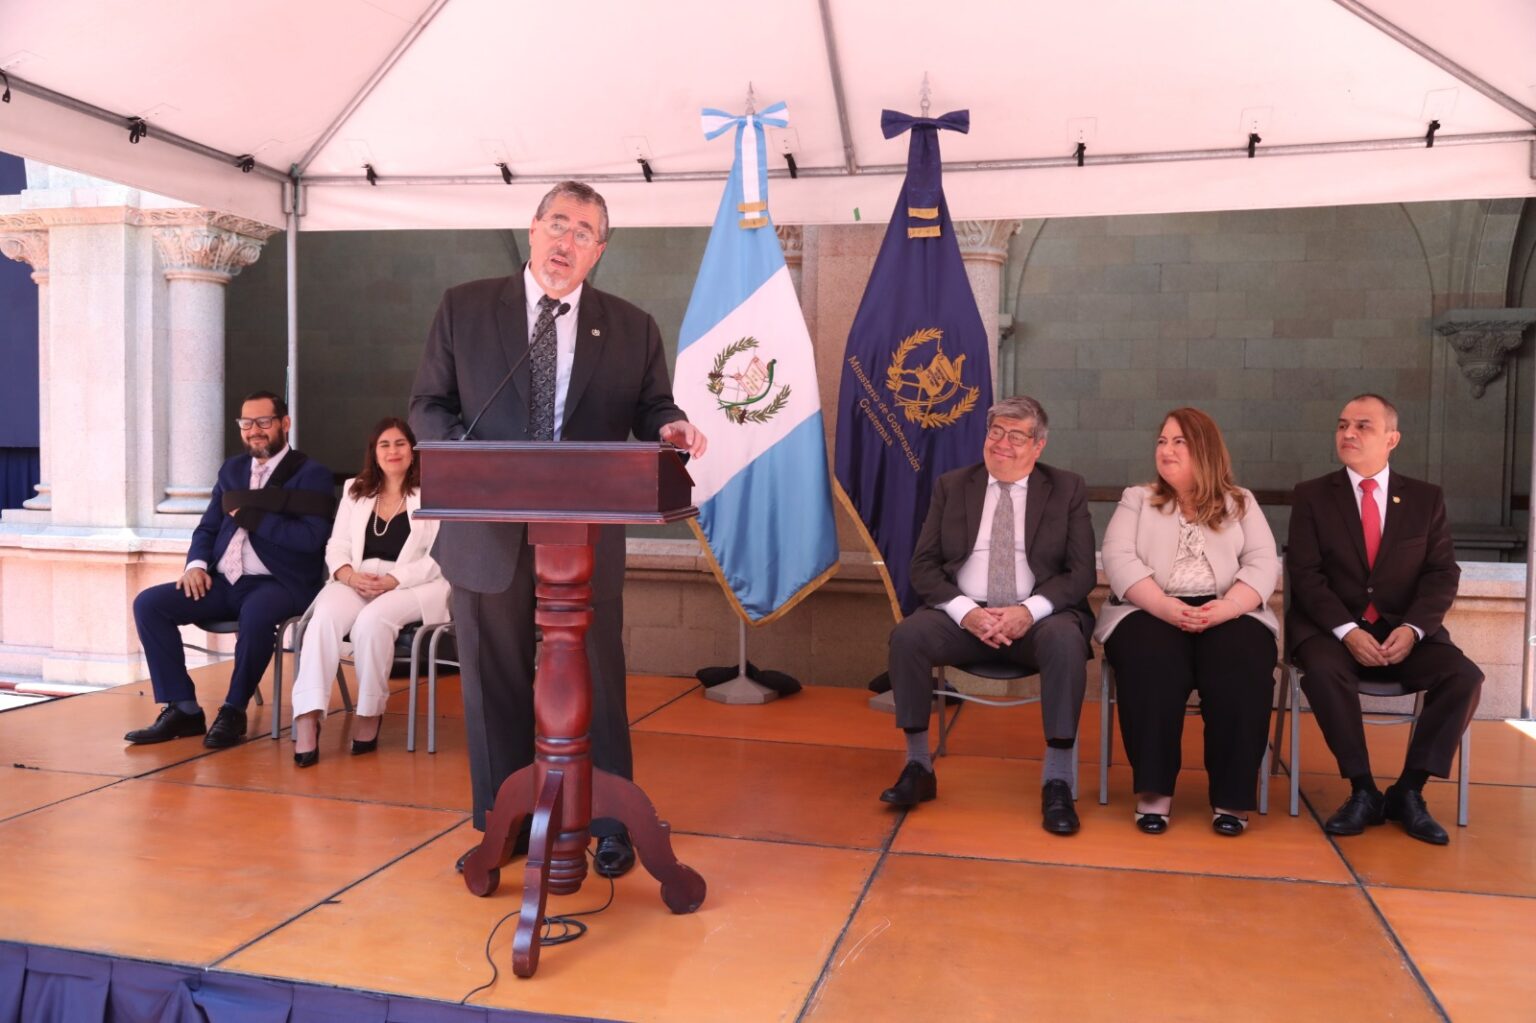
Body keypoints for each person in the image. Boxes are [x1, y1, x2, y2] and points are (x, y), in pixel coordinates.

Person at [410, 180, 707, 878]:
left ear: (599, 251)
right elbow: (428, 405)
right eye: (558, 224)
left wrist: (670, 425)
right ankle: (504, 820)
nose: (566, 242)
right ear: (533, 227)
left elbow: (652, 405)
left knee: (595, 676)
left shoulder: (631, 326)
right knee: (494, 679)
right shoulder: (464, 308)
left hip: (584, 537)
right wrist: (475, 466)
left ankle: (609, 822)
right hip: (487, 530)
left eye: (584, 233)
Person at [881, 396, 1096, 835]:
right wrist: (966, 613)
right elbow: (923, 566)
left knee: (1065, 640)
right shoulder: (953, 485)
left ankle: (1057, 780)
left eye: (1016, 436)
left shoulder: (1067, 488)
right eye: (995, 432)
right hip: (964, 617)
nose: (1002, 443)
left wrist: (1027, 611)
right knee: (908, 637)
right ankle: (918, 767)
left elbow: (1081, 573)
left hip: (1037, 619)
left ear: (1038, 445)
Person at [1286, 394, 1481, 845]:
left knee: (1464, 676)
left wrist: (1413, 629)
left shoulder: (1425, 499)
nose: (1348, 433)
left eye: (1363, 426)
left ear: (1392, 439)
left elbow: (1441, 573)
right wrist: (1347, 631)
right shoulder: (1313, 495)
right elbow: (1305, 575)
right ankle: (1363, 790)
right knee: (1323, 671)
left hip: (1403, 632)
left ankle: (1409, 791)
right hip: (1331, 631)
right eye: (1342, 425)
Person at [1095, 408, 1279, 836]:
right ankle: (1154, 792)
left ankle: (1232, 797)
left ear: (1205, 449)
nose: (1167, 449)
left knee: (1244, 662)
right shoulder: (1137, 499)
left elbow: (1262, 563)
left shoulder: (1240, 502)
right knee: (1151, 661)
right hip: (1147, 607)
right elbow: (1118, 559)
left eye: (1179, 441)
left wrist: (1228, 607)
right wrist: (1164, 606)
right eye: (1162, 441)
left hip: (1228, 609)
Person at [127, 391, 333, 748]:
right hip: (223, 582)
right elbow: (208, 528)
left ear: (284, 423)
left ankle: (234, 710)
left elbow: (311, 539)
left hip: (279, 583)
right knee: (149, 604)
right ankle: (184, 708)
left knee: (256, 614)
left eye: (263, 421)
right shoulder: (232, 470)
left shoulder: (311, 474)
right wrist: (195, 565)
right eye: (246, 423)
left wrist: (255, 518)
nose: (254, 430)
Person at [289, 418, 451, 767]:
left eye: (400, 444)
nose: (393, 451)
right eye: (384, 445)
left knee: (372, 621)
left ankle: (369, 712)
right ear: (374, 452)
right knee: (323, 618)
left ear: (413, 450)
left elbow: (439, 557)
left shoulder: (434, 491)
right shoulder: (355, 490)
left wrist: (394, 579)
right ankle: (308, 715)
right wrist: (348, 576)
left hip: (414, 582)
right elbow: (337, 546)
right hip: (358, 577)